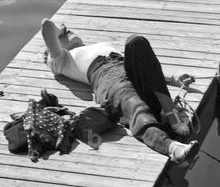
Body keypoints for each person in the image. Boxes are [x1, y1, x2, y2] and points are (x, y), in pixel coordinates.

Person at [40, 18, 197, 163]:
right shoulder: (61, 60)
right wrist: (59, 30)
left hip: (128, 71)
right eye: (64, 33)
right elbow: (46, 25)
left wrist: (173, 77)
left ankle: (170, 113)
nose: (67, 30)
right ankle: (171, 147)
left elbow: (144, 67)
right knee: (135, 105)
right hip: (108, 79)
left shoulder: (99, 46)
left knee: (136, 42)